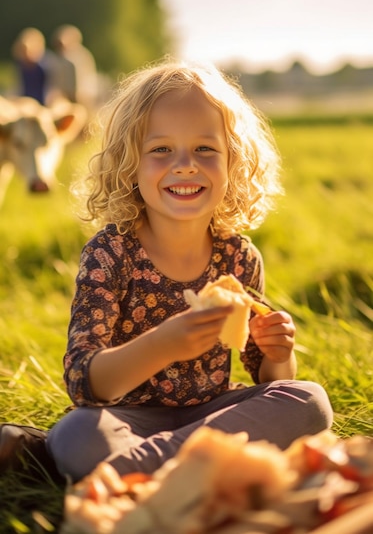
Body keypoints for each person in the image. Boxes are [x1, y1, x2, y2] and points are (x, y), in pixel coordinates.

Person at [3, 59, 333, 482]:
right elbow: (85, 382)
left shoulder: (238, 257)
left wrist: (278, 355)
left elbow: (264, 376)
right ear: (128, 163)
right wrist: (164, 343)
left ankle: (127, 472)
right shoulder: (110, 252)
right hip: (125, 420)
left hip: (213, 414)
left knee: (308, 400)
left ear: (233, 162)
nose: (185, 165)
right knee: (78, 433)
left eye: (205, 149)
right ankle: (193, 469)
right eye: (160, 149)